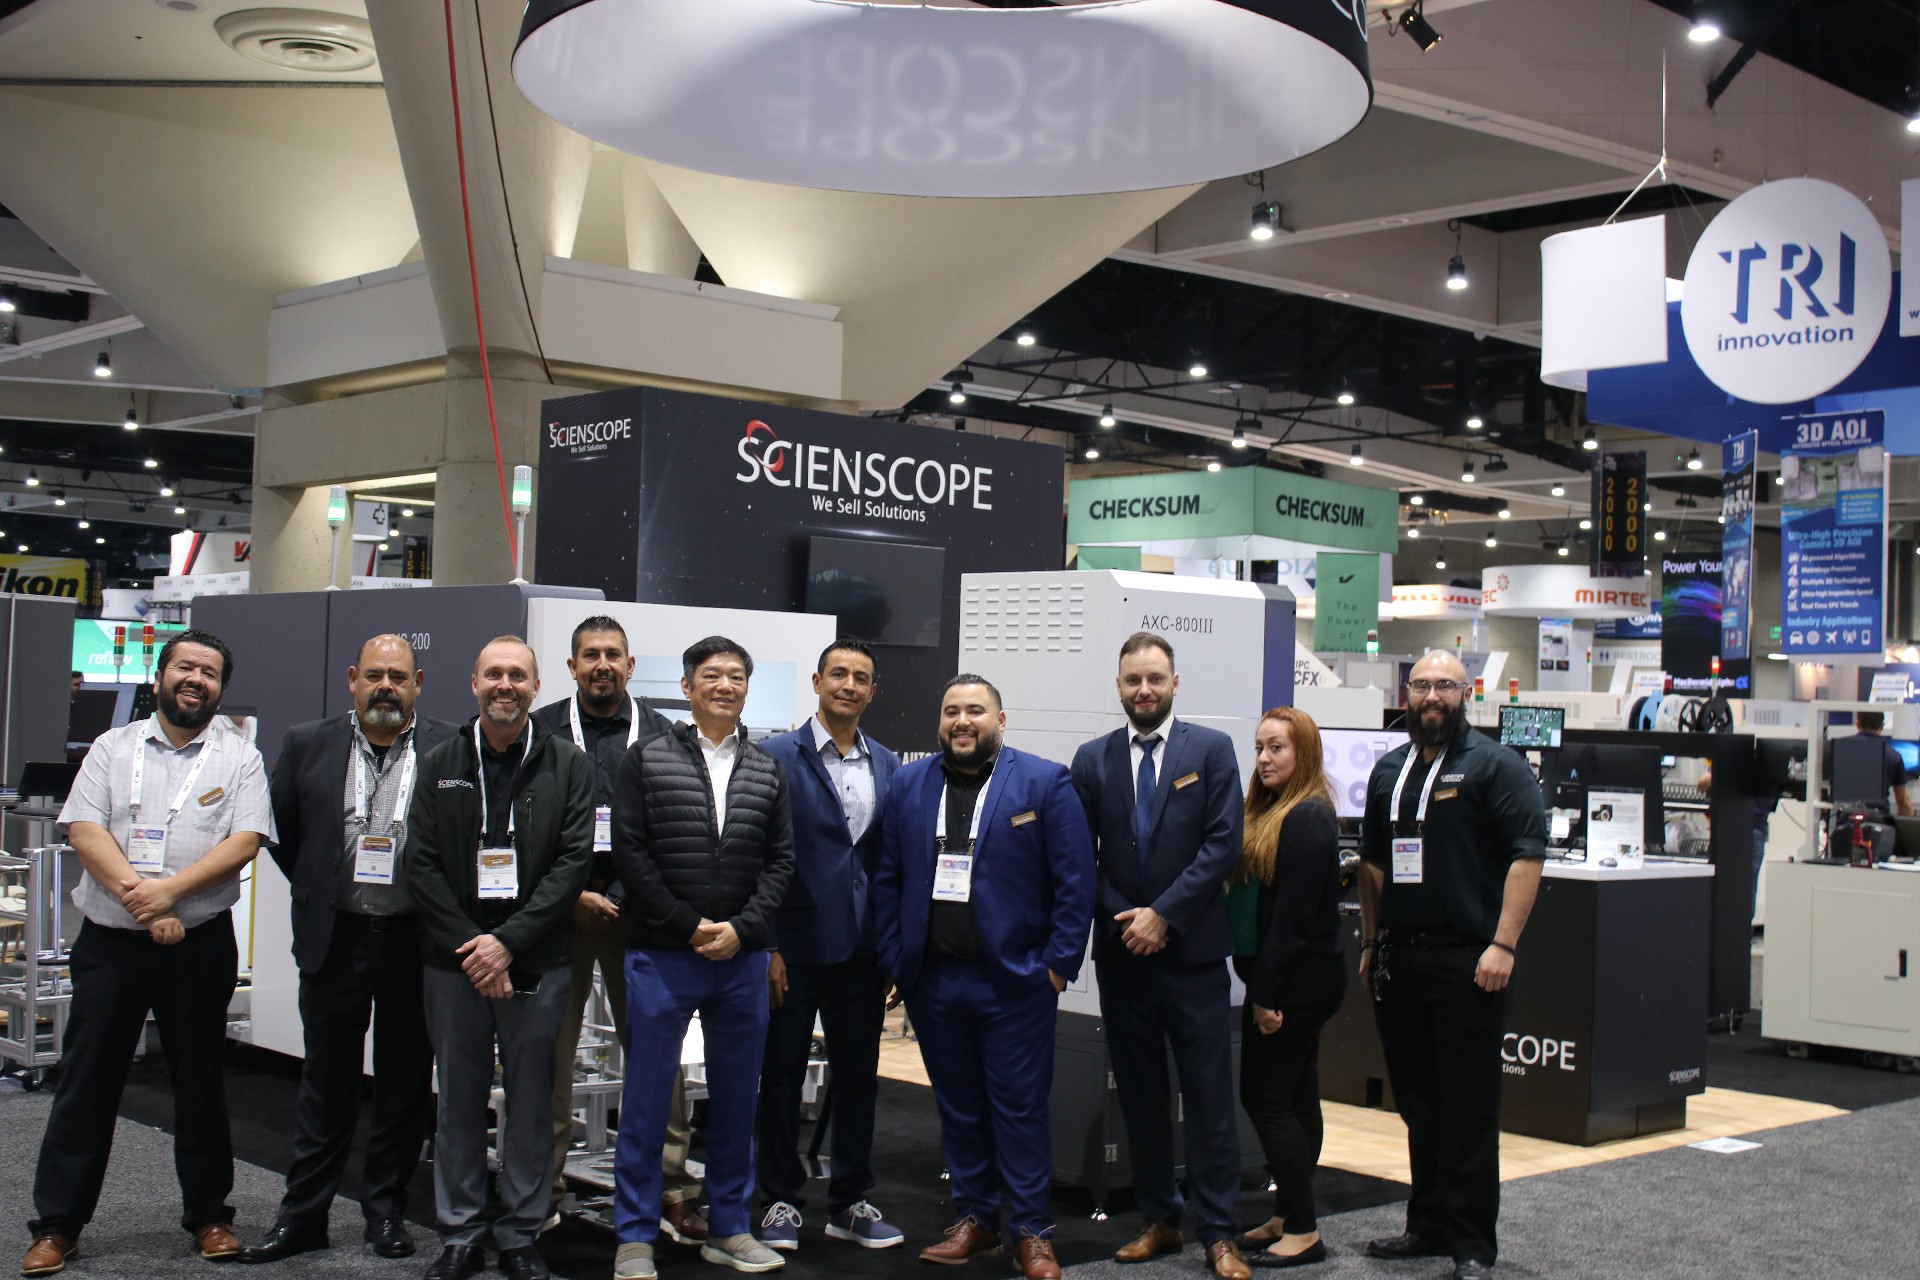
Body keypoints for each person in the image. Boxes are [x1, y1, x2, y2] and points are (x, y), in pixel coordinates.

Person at [25, 630, 276, 1276]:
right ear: (160, 676)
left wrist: (169, 895)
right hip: (111, 944)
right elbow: (85, 829)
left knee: (201, 1082)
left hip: (199, 946)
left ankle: (211, 1217)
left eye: (209, 673)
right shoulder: (114, 747)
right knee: (87, 1083)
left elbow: (245, 840)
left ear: (220, 688)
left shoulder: (240, 758)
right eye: (185, 667)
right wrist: (145, 901)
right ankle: (58, 1225)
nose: (196, 680)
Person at [238, 635, 458, 1265]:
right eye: (375, 675)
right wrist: (320, 888)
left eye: (399, 677)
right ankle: (303, 1216)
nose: (386, 686)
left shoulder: (450, 746)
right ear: (353, 679)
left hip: (414, 940)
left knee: (403, 1086)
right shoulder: (308, 742)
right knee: (325, 1082)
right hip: (334, 938)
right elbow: (283, 832)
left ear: (418, 683)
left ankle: (384, 1211)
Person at [873, 675, 1094, 1280]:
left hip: (1016, 983)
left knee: (1020, 1110)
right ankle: (976, 1219)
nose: (962, 721)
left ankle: (1033, 1232)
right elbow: (888, 876)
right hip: (935, 983)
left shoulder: (1043, 782)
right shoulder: (910, 784)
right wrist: (897, 958)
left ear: (1001, 719)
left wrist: (1056, 968)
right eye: (951, 711)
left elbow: (1076, 883)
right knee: (959, 1107)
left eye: (975, 710)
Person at [406, 636, 595, 1280]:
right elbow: (421, 862)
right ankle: (459, 1233)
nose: (505, 685)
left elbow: (573, 863)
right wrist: (475, 946)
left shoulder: (569, 764)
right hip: (454, 962)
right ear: (474, 683)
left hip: (537, 959)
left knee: (532, 1102)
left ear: (536, 687)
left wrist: (508, 942)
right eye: (494, 674)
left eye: (517, 675)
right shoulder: (440, 761)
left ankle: (519, 1232)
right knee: (457, 1100)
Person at [609, 637, 795, 1280]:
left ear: (747, 688)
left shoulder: (767, 767)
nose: (725, 685)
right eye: (711, 675)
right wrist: (687, 926)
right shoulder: (645, 758)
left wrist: (744, 930)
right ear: (687, 687)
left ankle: (730, 1228)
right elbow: (631, 854)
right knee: (647, 1101)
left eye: (736, 676)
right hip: (664, 955)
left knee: (738, 1101)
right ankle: (634, 1236)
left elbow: (781, 862)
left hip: (741, 960)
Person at [1358, 650, 1545, 1280]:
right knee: (1419, 1104)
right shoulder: (1389, 769)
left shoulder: (1496, 766)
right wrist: (1370, 942)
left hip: (1471, 961)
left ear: (1467, 694)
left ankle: (1471, 1246)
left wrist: (1504, 944)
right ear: (1406, 694)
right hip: (1400, 959)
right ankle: (1428, 1226)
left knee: (1468, 1109)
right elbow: (1374, 862)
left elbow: (1527, 856)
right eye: (1421, 685)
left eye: (1445, 685)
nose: (1432, 695)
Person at [1068, 634, 1247, 1280]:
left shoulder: (1212, 749)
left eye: (1154, 678)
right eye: (1132, 680)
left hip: (1192, 955)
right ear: (1118, 686)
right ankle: (1159, 1220)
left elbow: (1223, 845)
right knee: (1141, 1096)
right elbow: (1077, 856)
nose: (1144, 690)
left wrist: (1163, 914)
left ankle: (1219, 1232)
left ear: (1176, 682)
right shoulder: (1092, 759)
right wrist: (1131, 918)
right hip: (1124, 955)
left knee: (1208, 1098)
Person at [528, 617, 707, 1244]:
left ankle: (673, 1188)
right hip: (558, 913)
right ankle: (540, 1192)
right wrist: (571, 894)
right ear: (572, 667)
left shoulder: (665, 734)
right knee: (549, 1057)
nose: (602, 664)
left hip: (644, 915)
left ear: (631, 666)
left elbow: (676, 828)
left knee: (658, 1056)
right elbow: (525, 825)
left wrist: (624, 894)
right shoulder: (540, 730)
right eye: (590, 655)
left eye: (613, 655)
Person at [755, 640, 903, 1252]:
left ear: (872, 691)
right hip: (792, 948)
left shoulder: (889, 764)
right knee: (781, 1076)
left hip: (862, 954)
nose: (848, 685)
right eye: (838, 674)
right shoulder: (773, 756)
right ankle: (779, 1201)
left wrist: (893, 950)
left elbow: (890, 861)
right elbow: (756, 855)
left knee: (858, 1080)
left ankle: (850, 1201)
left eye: (860, 678)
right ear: (817, 682)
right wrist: (766, 944)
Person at [1229, 707, 1346, 1269]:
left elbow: (1292, 921)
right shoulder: (1274, 810)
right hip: (1283, 979)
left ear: (1304, 753)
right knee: (1296, 1097)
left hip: (1294, 984)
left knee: (1266, 1098)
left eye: (1277, 748)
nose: (1264, 758)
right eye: (1259, 748)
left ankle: (1302, 1229)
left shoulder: (1308, 818)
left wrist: (1266, 995)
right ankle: (1288, 1214)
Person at [1823, 711, 1913, 817]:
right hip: (1879, 821)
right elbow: (1902, 801)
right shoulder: (1893, 756)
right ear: (1882, 726)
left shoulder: (1836, 748)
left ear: (1858, 723)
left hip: (1844, 820)